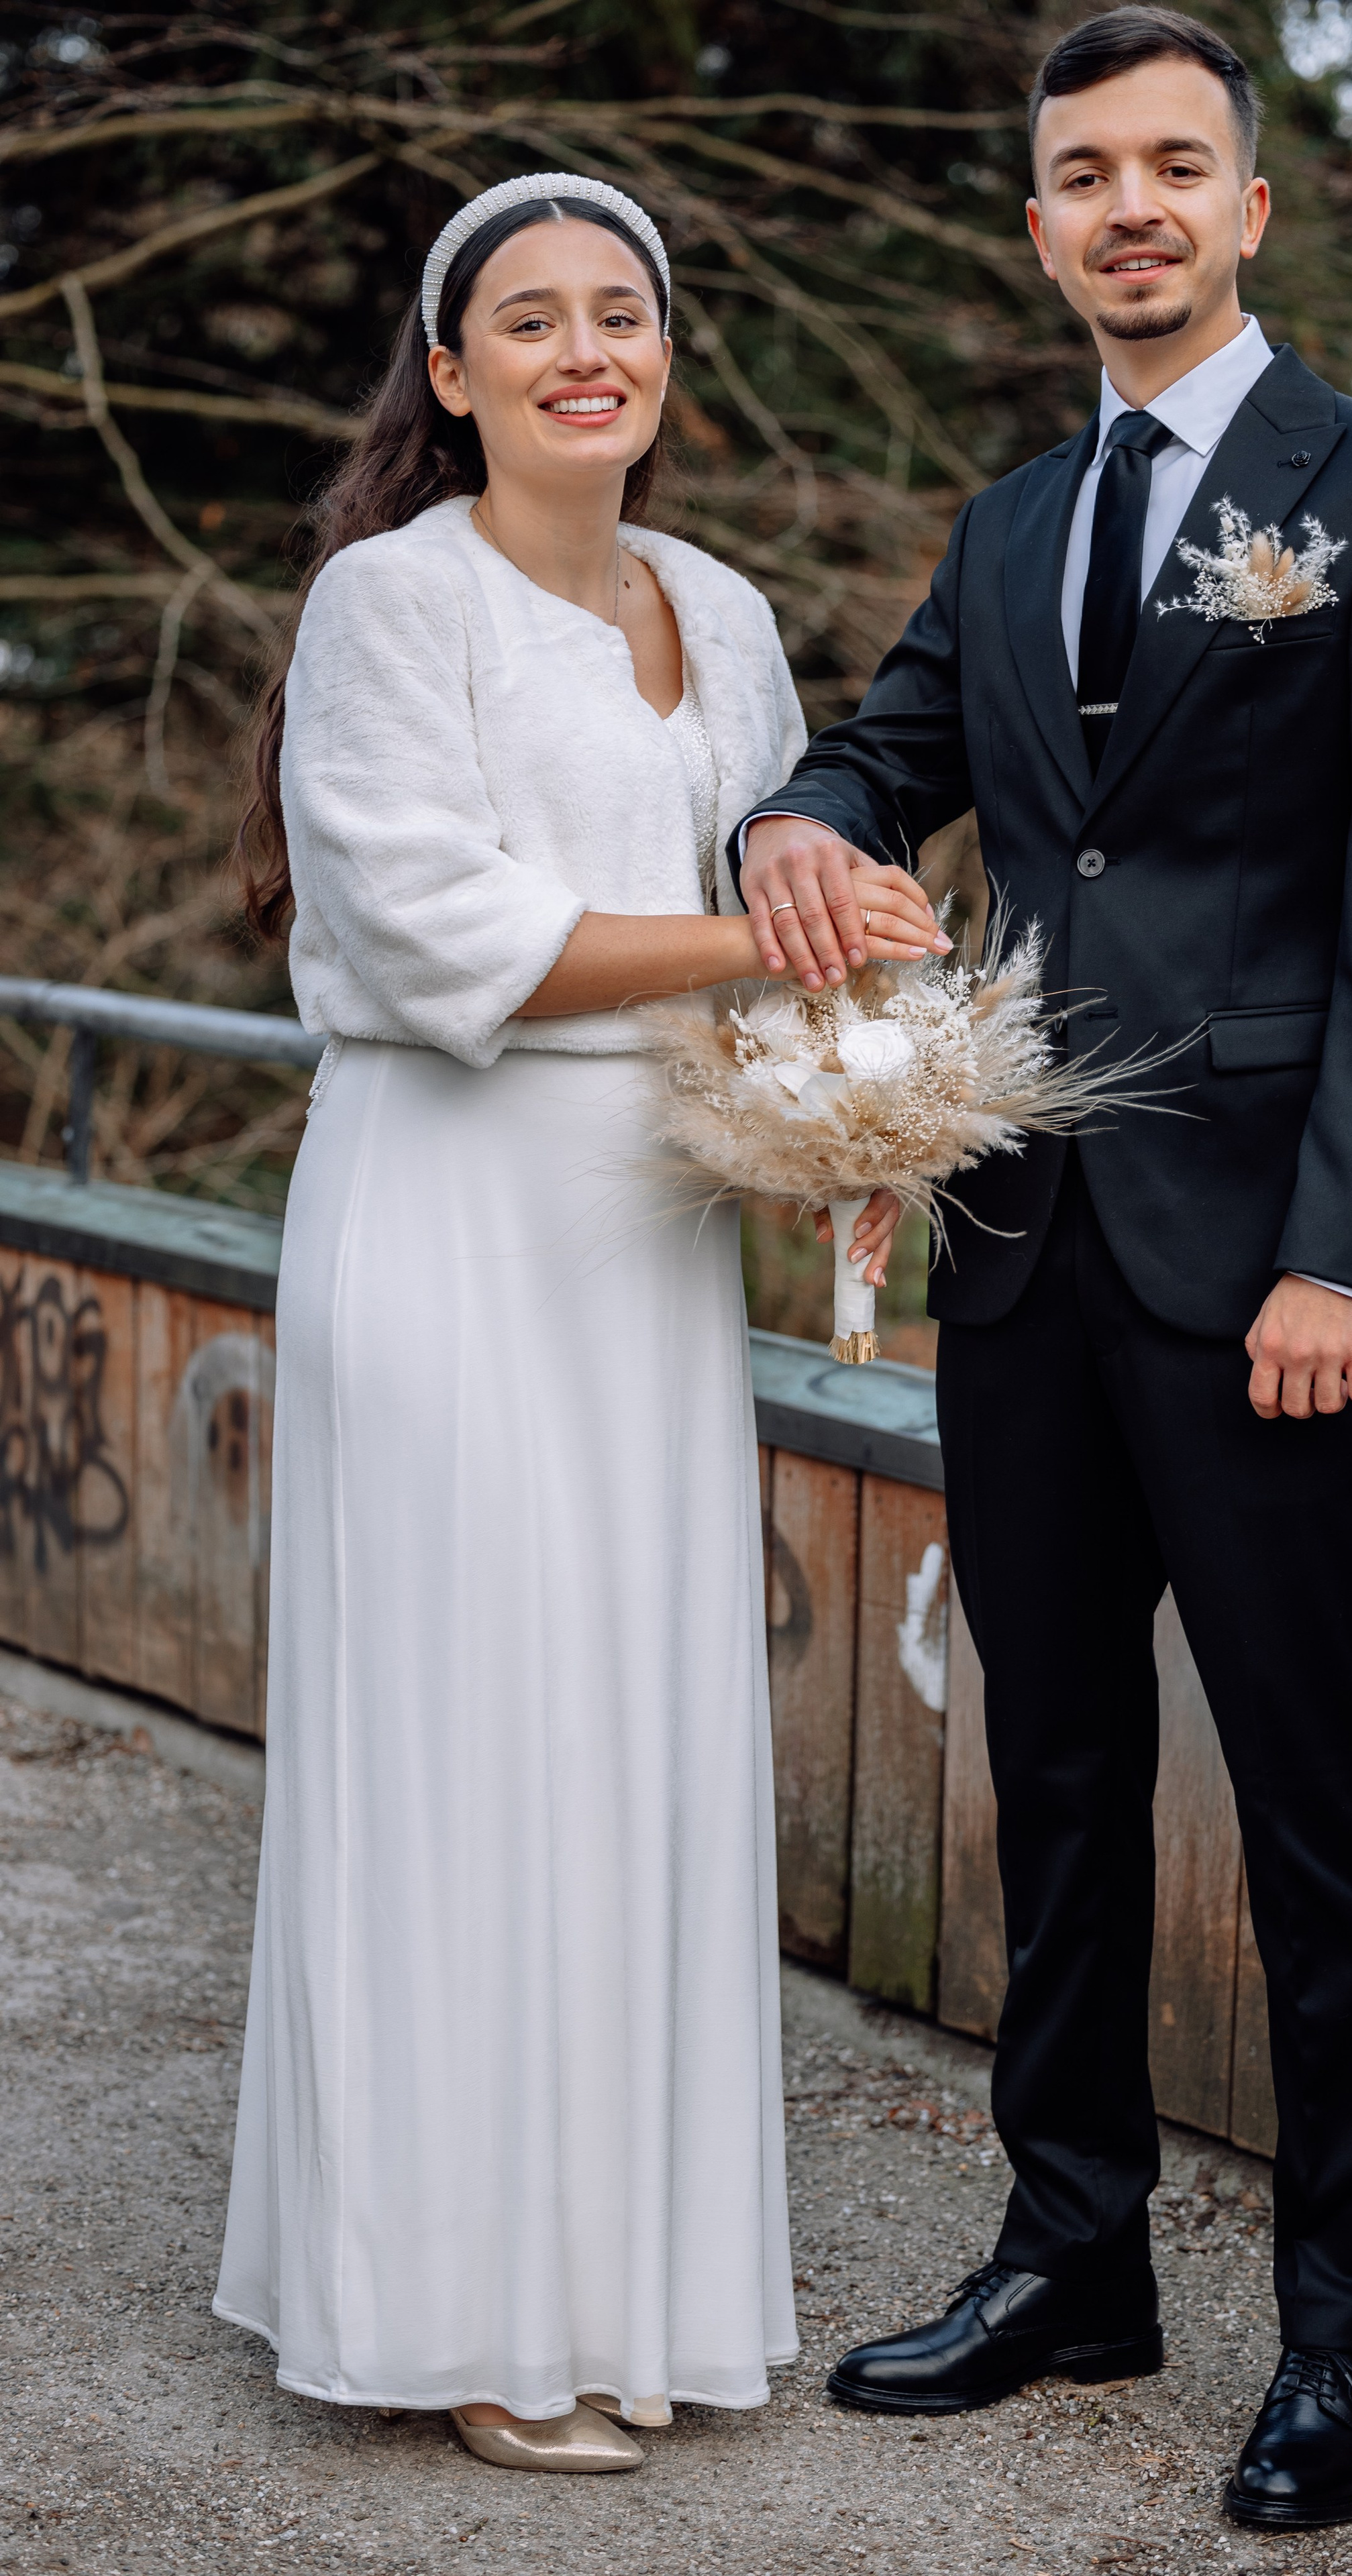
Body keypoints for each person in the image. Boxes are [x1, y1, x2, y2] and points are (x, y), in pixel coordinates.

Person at [734, 8, 1352, 2534]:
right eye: (1088, 173)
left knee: (1314, 1822)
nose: (1135, 205)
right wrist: (795, 820)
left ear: (1254, 209)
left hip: (1272, 1292)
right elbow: (890, 752)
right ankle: (1073, 2253)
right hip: (1021, 1255)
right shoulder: (1006, 520)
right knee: (1051, 1786)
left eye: (1181, 163)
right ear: (1042, 223)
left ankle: (1335, 2342)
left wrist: (1351, 1267)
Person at [213, 172, 940, 2473]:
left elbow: (784, 875)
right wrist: (780, 953)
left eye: (618, 312)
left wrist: (869, 1104)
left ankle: (627, 2288)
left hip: (649, 1236)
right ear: (452, 377)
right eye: (526, 320)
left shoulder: (719, 614)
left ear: (662, 361)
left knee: (635, 1743)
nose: (580, 349)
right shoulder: (383, 605)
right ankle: (459, 2311)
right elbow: (450, 936)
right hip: (446, 1216)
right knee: (467, 1742)